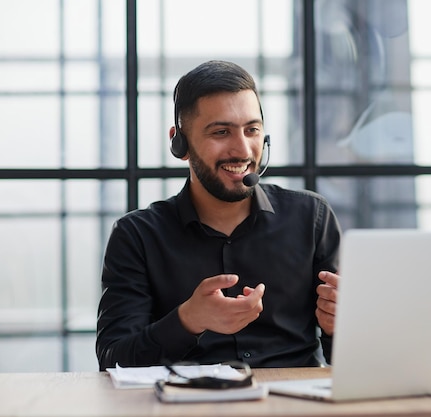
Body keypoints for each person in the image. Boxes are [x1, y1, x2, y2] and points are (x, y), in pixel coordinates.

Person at [96, 60, 342, 371]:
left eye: (252, 130)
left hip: (293, 402)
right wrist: (188, 320)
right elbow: (112, 358)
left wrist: (339, 328)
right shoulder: (137, 235)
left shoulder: (312, 218)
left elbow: (353, 365)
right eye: (221, 132)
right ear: (180, 142)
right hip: (186, 405)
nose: (242, 150)